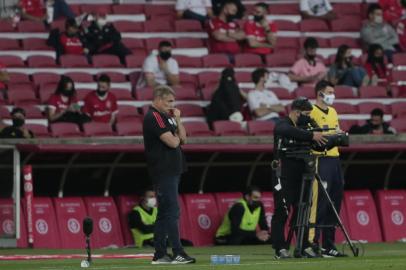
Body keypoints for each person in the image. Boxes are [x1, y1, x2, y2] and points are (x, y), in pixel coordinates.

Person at [143, 85, 195, 264]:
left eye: (173, 101)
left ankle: (159, 254)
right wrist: (177, 136)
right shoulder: (154, 117)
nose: (173, 105)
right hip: (163, 171)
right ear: (158, 100)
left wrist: (178, 120)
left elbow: (184, 139)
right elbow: (173, 143)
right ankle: (178, 252)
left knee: (165, 212)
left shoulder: (168, 117)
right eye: (169, 102)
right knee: (172, 211)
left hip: (173, 170)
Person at [271, 97, 327, 259]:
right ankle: (280, 248)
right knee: (282, 210)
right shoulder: (283, 124)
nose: (308, 117)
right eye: (306, 114)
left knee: (302, 209)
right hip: (282, 174)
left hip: (301, 173)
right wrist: (311, 136)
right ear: (296, 112)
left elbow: (318, 137)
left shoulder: (305, 126)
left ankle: (303, 245)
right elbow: (285, 131)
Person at [309, 80, 347, 257]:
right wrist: (331, 135)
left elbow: (336, 132)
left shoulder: (333, 111)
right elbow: (315, 138)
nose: (333, 95)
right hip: (320, 159)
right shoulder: (311, 111)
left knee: (334, 202)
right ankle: (313, 242)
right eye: (330, 92)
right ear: (320, 93)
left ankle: (329, 245)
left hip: (335, 159)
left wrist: (338, 135)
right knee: (320, 203)